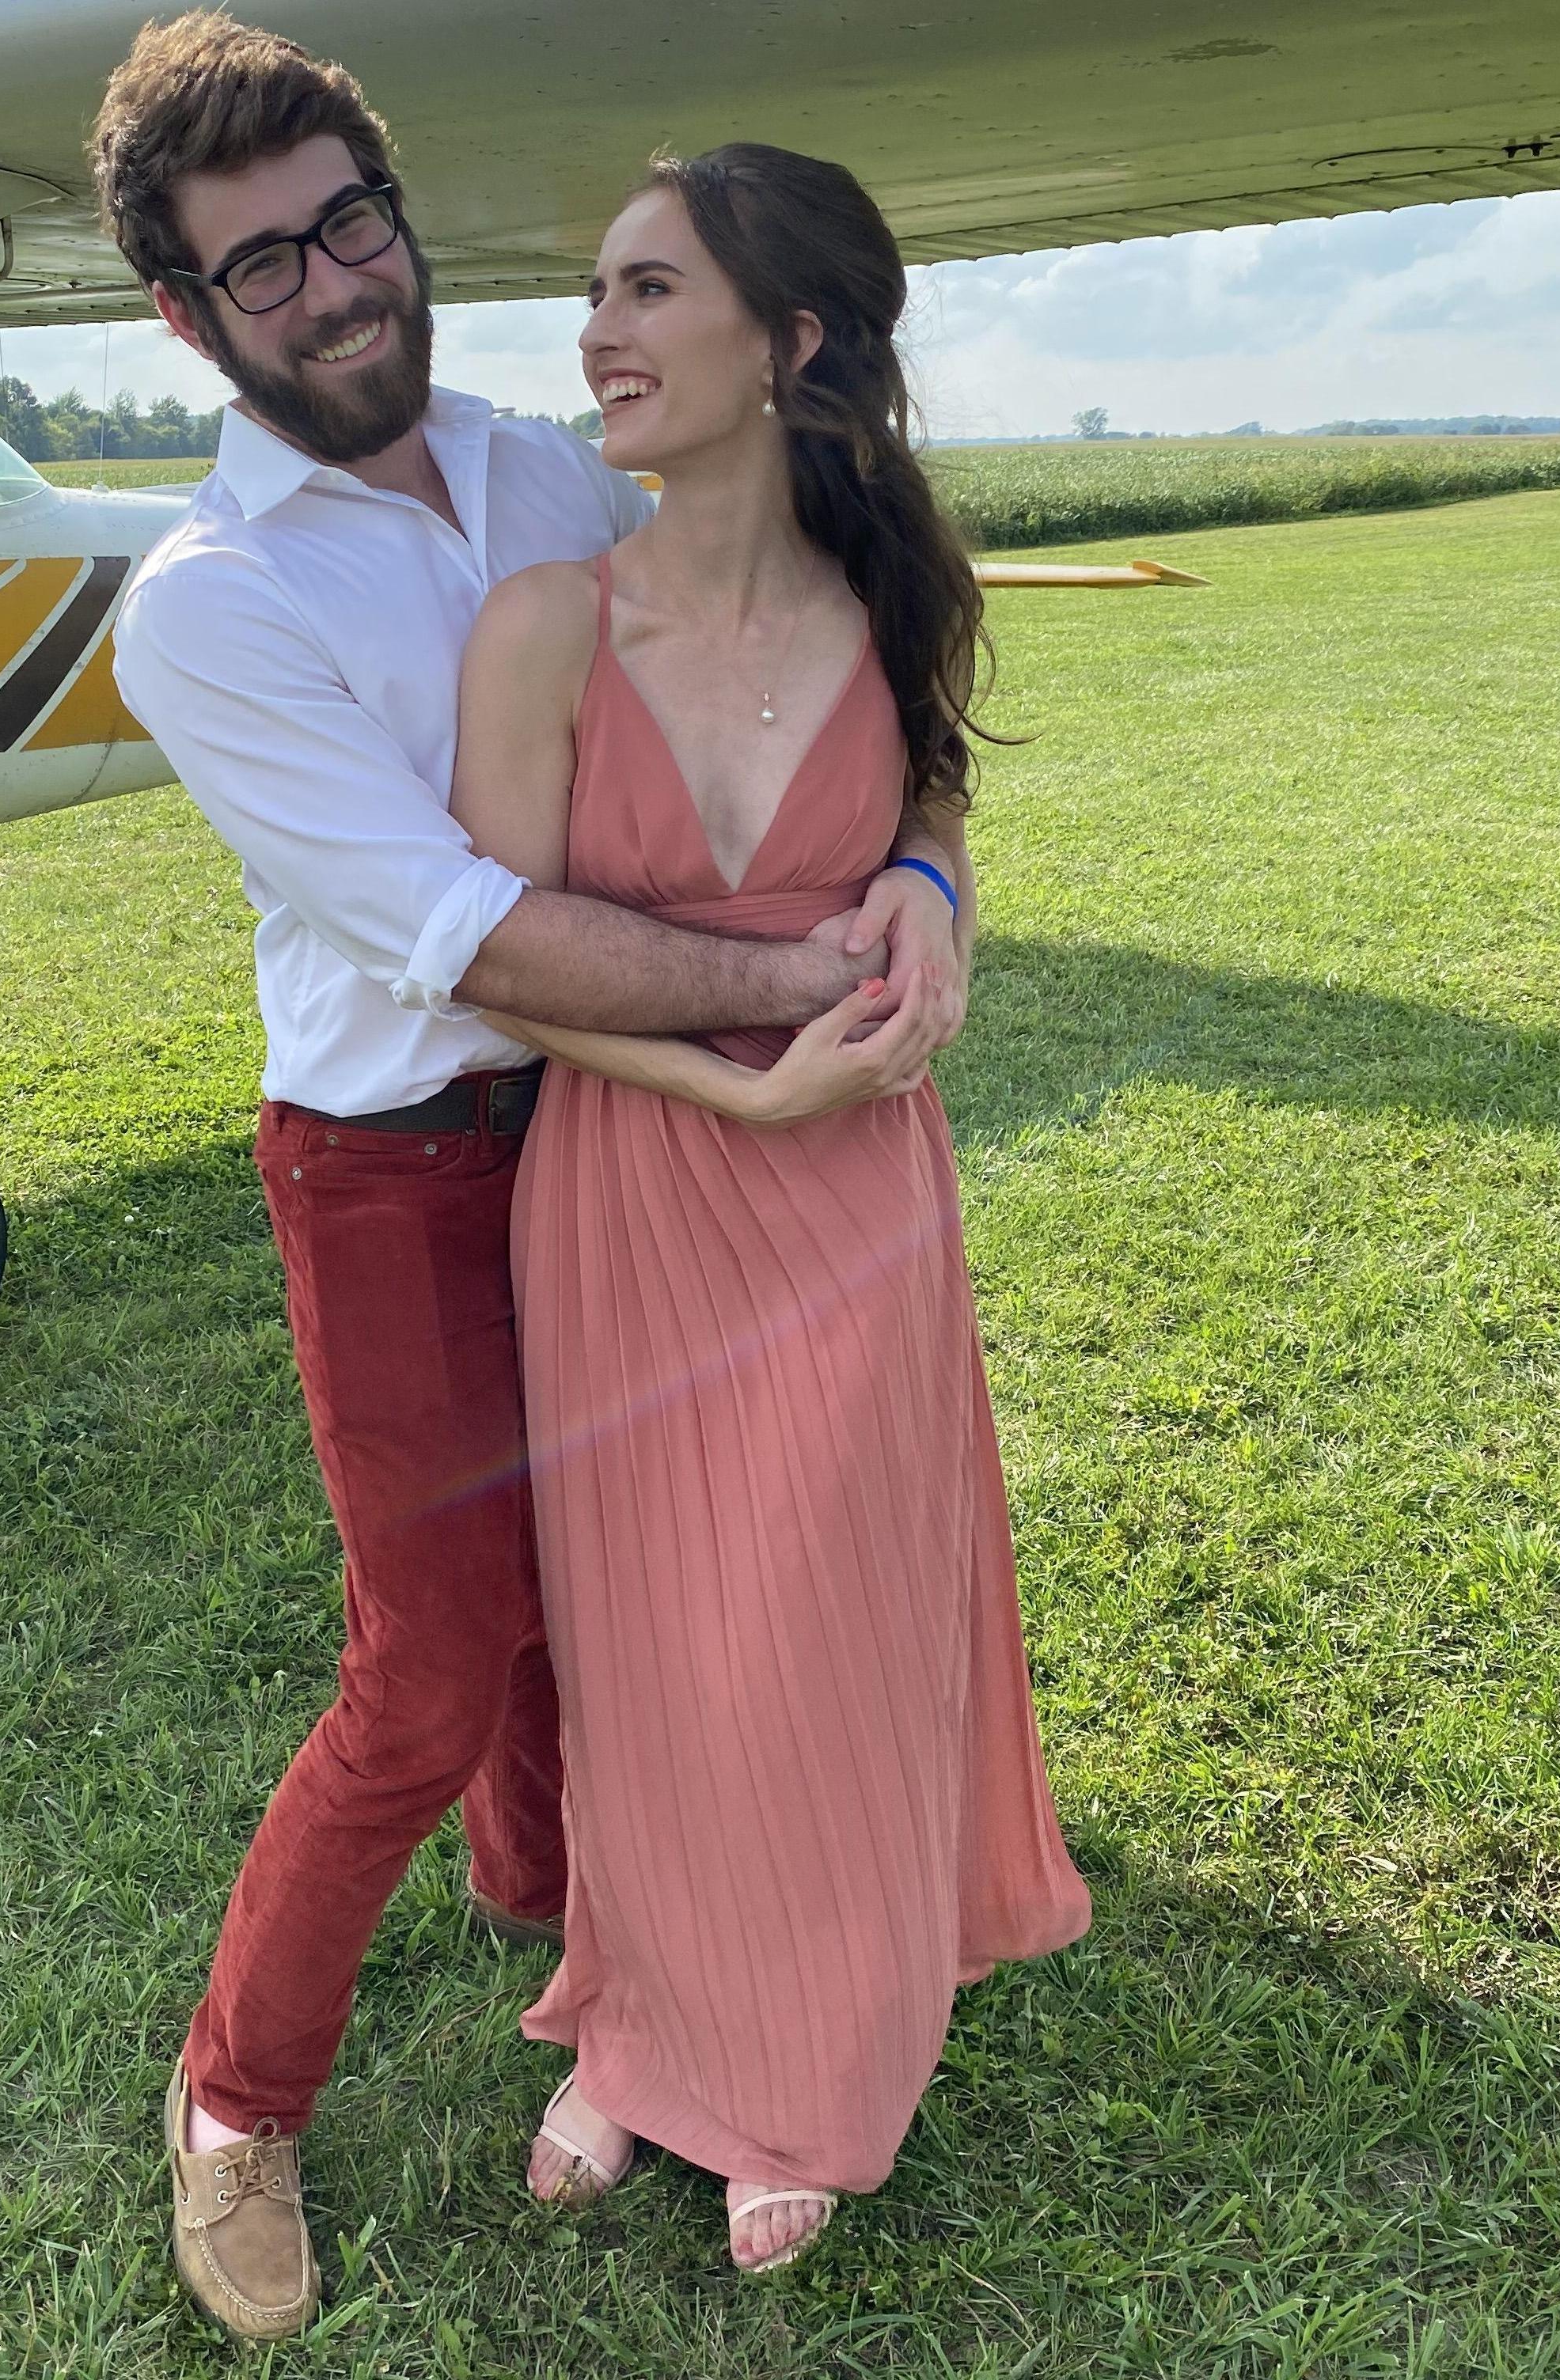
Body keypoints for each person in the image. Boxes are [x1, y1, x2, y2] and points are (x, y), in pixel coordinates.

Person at [90, 18, 966, 2343]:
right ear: (187, 318)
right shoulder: (207, 602)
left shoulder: (557, 473)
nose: (332, 288)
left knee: (642, 1595)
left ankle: (597, 1932)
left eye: (351, 225)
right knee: (440, 1653)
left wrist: (923, 885)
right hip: (397, 1161)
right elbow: (469, 931)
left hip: (627, 1138)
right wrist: (791, 988)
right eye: (261, 268)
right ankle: (234, 2103)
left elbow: (812, 679)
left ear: (399, 217)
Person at [449, 144, 1092, 2276]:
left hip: (855, 1191)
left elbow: (938, 805)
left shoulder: (890, 602)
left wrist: (927, 897)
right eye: (598, 292)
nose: (598, 335)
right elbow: (495, 965)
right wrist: (732, 1082)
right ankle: (643, 2021)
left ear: (788, 341)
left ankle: (812, 2040)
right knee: (651, 1634)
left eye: (649, 291)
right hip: (634, 1182)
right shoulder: (546, 627)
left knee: (821, 1623)